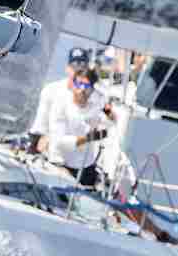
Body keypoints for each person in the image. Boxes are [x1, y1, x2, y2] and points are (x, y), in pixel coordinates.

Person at [30, 53, 117, 186]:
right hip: (59, 164)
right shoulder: (61, 103)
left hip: (85, 165)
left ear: (92, 89)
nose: (81, 90)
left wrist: (108, 112)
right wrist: (89, 138)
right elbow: (59, 141)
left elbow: (111, 121)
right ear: (72, 84)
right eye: (78, 84)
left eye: (86, 87)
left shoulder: (97, 100)